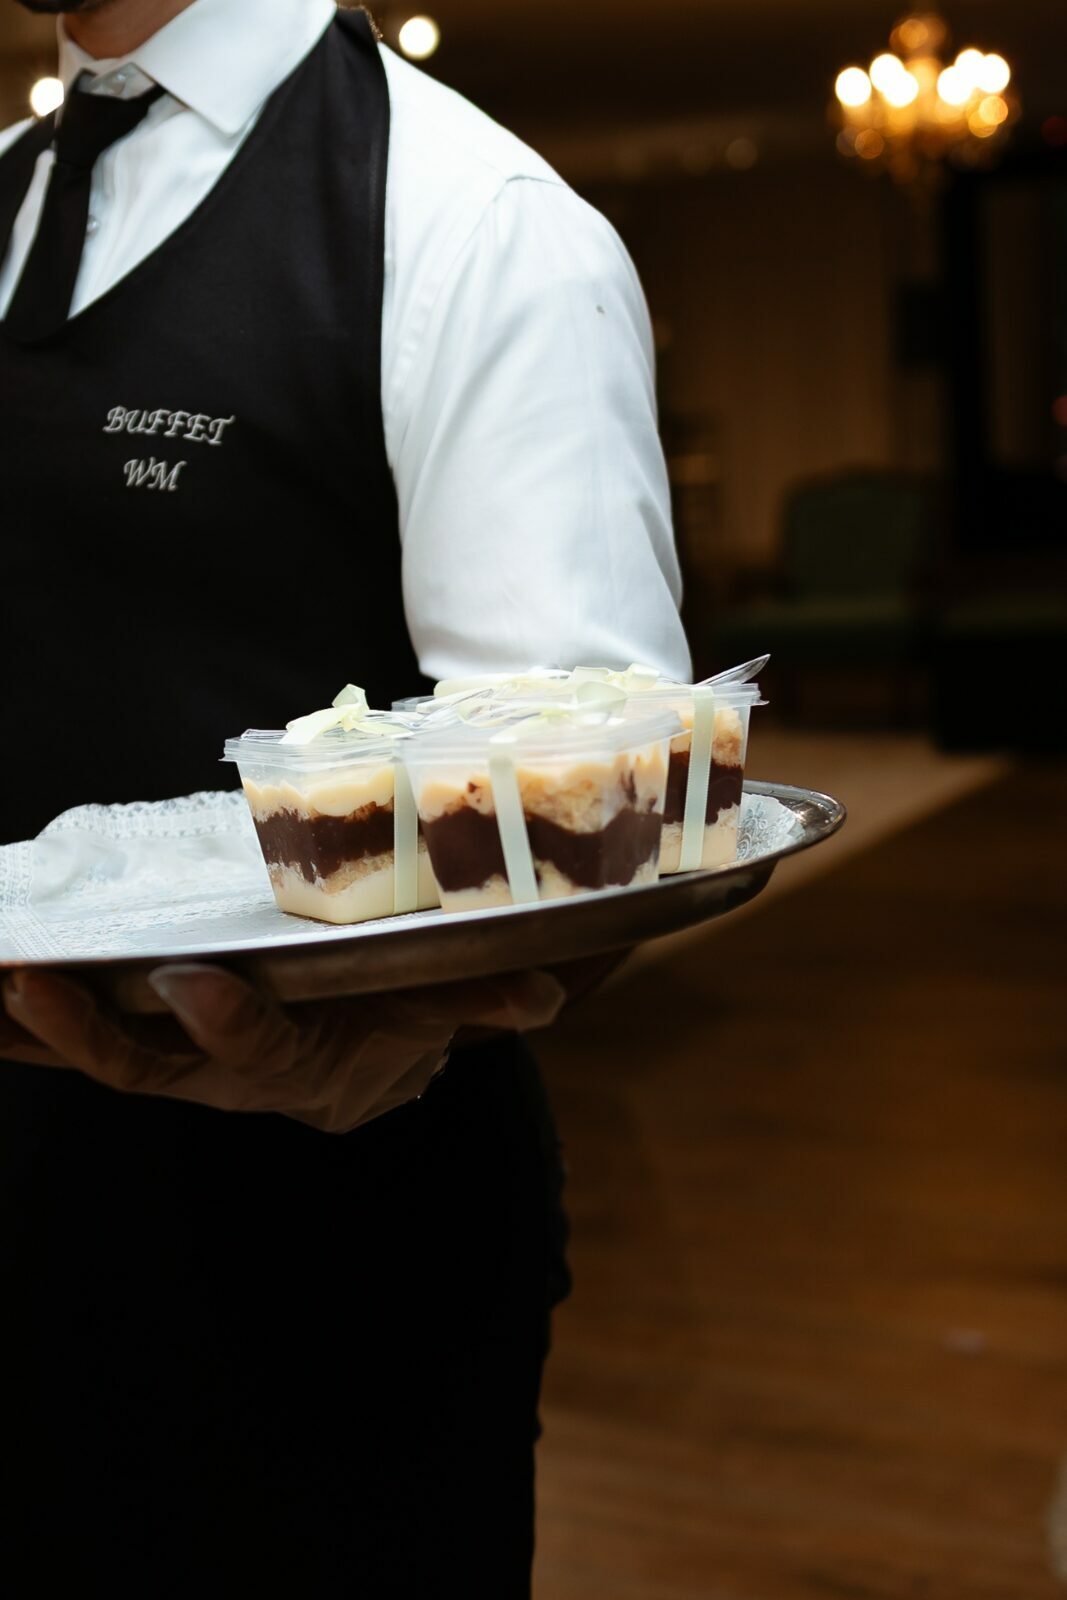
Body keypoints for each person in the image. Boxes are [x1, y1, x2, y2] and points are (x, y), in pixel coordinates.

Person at [0, 0, 690, 1592]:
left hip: (309, 1263)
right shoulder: (13, 184)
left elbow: (603, 806)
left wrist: (374, 1035)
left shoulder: (472, 219)